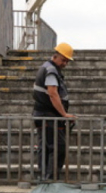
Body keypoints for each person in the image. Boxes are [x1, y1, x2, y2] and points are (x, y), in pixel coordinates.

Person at [32, 42, 77, 181]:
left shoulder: (48, 68)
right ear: (56, 56)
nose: (65, 63)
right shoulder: (51, 71)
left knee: (45, 148)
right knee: (58, 148)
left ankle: (45, 178)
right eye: (63, 60)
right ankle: (50, 179)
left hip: (43, 115)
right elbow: (53, 93)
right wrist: (64, 114)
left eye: (67, 61)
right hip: (49, 116)